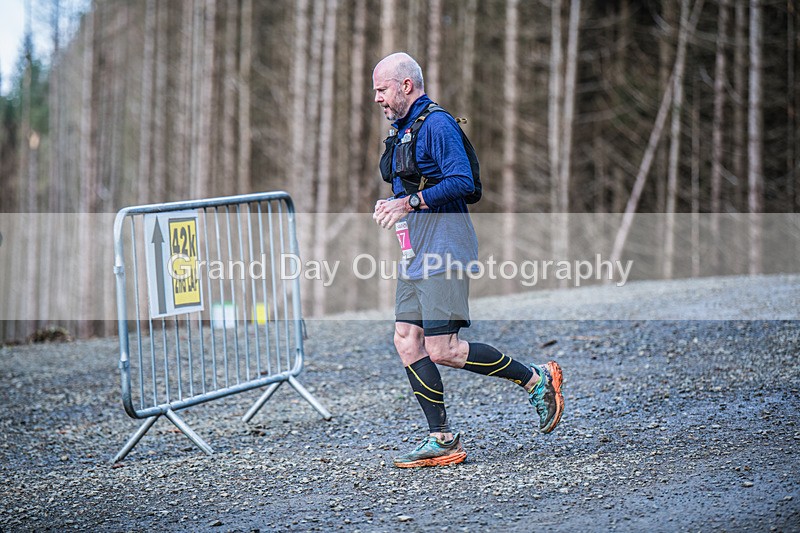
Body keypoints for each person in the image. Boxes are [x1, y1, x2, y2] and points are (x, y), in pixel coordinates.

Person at [371, 52, 565, 468]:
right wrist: (393, 204)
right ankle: (441, 439)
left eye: (382, 89)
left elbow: (462, 182)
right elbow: (415, 184)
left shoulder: (437, 124)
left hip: (445, 248)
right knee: (406, 340)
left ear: (406, 85)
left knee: (443, 349)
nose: (377, 98)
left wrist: (409, 203)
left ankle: (535, 378)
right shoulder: (403, 130)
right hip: (415, 252)